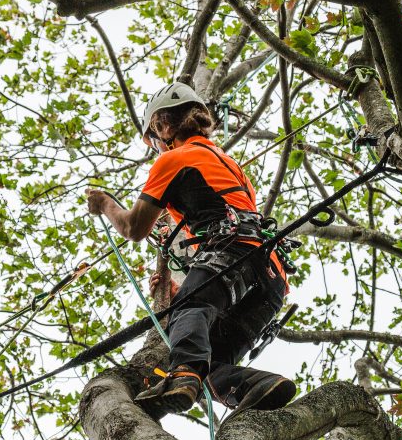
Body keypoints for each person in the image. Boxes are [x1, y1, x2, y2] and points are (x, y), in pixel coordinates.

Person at [86, 81, 296, 415]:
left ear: (163, 126)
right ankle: (257, 385)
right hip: (271, 277)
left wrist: (106, 204)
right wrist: (186, 285)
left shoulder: (174, 160)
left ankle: (181, 374)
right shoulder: (232, 166)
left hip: (232, 252)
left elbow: (134, 227)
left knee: (187, 316)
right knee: (211, 366)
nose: (157, 149)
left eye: (154, 141)